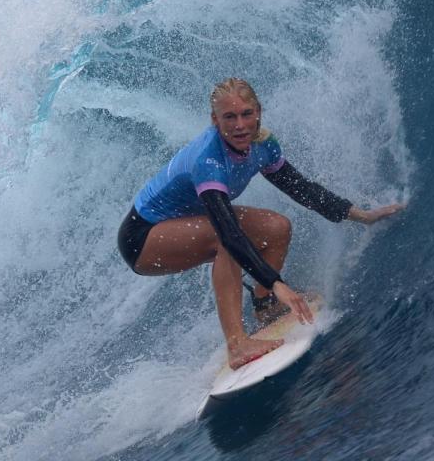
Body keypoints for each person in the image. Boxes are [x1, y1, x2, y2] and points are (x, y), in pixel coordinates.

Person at [117, 78, 404, 369]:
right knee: (226, 240)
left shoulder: (264, 145)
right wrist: (277, 282)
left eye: (246, 114)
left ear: (258, 112)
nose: (240, 124)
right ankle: (237, 345)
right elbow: (229, 234)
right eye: (229, 117)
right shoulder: (209, 160)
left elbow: (302, 189)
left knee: (277, 227)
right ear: (215, 120)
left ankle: (265, 306)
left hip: (188, 222)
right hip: (143, 238)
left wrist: (363, 216)